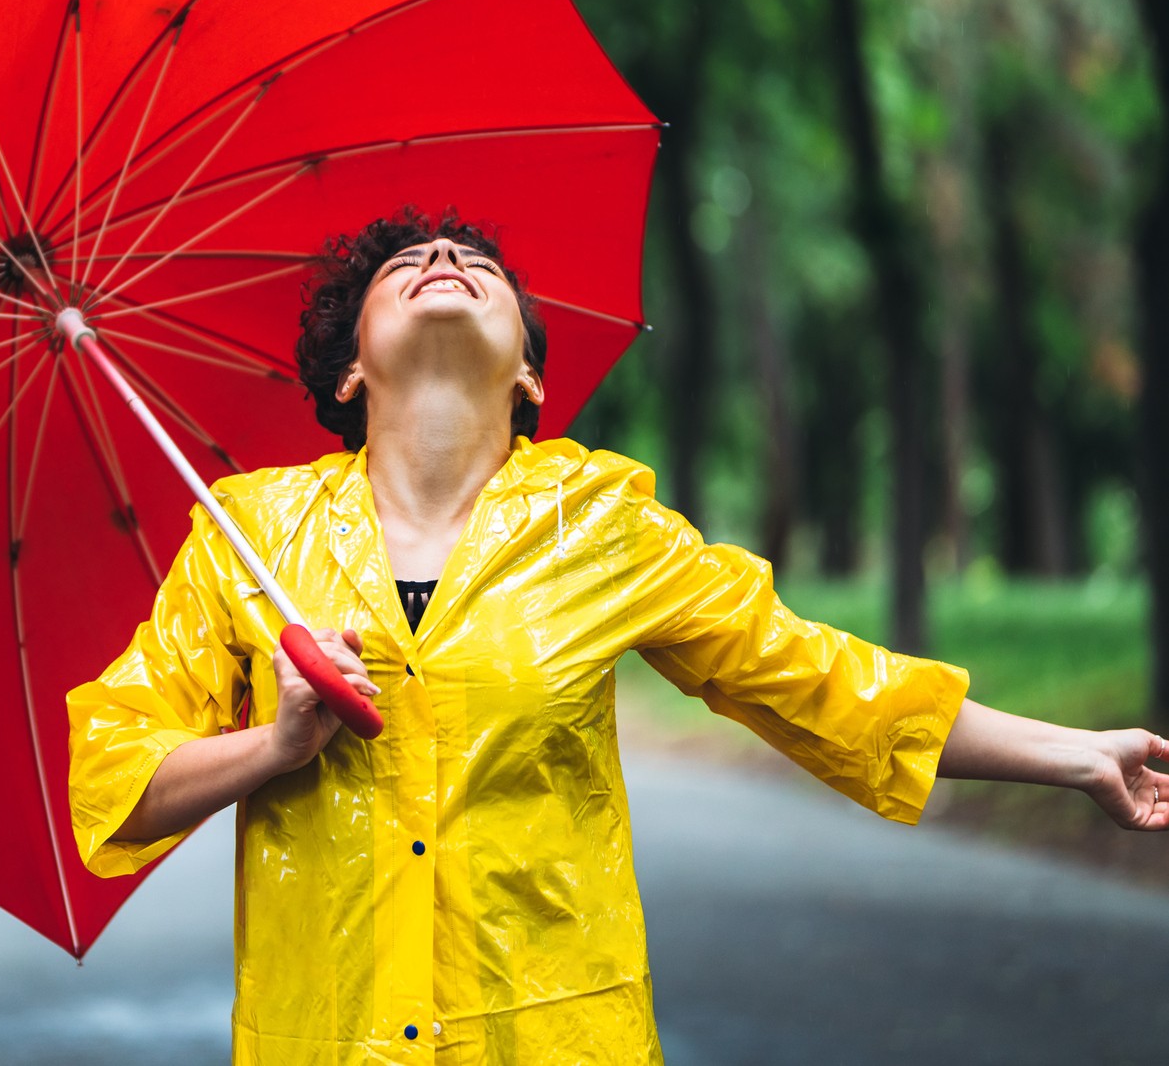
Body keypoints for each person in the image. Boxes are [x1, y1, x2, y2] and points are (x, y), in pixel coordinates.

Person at [65, 207, 1169, 1066]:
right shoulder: (248, 533)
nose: (443, 257)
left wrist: (1077, 754)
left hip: (555, 1036)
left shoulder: (602, 520)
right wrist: (274, 746)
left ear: (531, 374)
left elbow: (815, 680)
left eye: (476, 264)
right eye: (402, 267)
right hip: (325, 1032)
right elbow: (116, 771)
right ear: (350, 370)